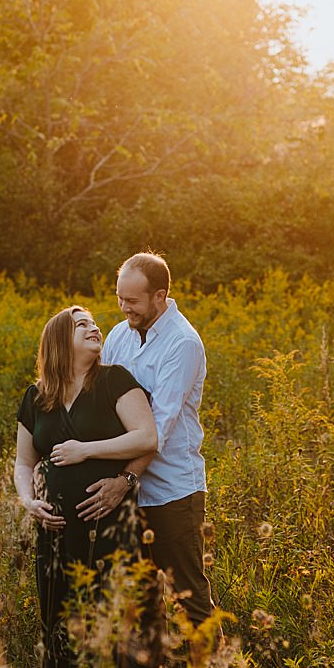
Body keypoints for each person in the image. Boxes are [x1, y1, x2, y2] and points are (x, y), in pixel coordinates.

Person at [14, 302, 158, 668]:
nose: (95, 328)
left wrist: (84, 451)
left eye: (94, 323)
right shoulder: (37, 397)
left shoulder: (114, 380)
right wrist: (28, 502)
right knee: (59, 624)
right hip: (56, 534)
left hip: (111, 527)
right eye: (82, 325)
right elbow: (24, 462)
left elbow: (147, 437)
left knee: (116, 623)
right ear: (60, 340)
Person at [85, 252, 214, 637]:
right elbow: (102, 404)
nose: (125, 308)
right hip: (129, 493)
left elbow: (159, 428)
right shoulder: (121, 335)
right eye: (120, 298)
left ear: (160, 296)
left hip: (173, 491)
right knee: (141, 600)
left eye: (133, 301)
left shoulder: (183, 343)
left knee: (190, 598)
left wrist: (124, 479)